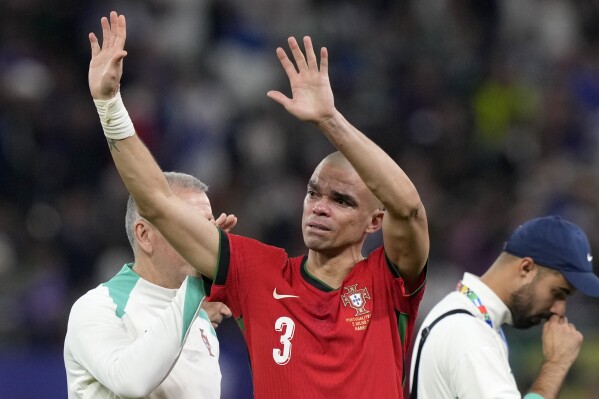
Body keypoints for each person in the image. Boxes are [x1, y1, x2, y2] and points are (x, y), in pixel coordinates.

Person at [87, 11, 429, 399]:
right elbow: (157, 202)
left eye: (341, 201)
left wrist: (330, 121)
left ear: (374, 222)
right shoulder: (258, 273)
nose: (319, 207)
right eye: (313, 193)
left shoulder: (388, 282)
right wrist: (109, 104)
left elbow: (410, 210)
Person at [64, 171, 236, 398]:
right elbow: (130, 383)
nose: (204, 238)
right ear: (144, 235)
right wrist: (196, 281)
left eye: (208, 226)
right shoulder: (97, 307)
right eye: (191, 225)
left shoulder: (200, 322)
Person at [409, 215, 599, 399]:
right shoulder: (468, 333)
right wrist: (556, 363)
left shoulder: (466, 316)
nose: (559, 310)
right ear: (526, 268)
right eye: (557, 292)